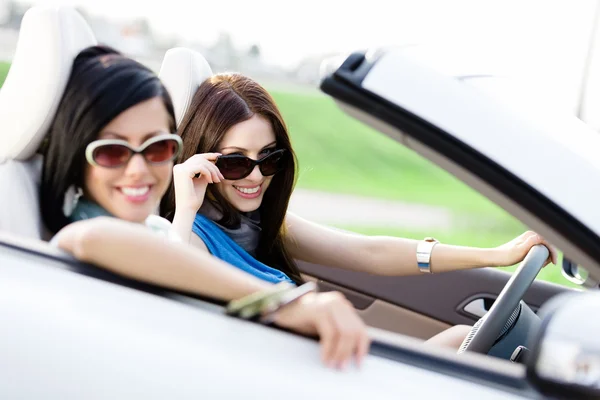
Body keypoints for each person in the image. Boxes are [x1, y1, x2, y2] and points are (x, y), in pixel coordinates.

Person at [163, 72, 558, 349]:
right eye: (235, 162)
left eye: (269, 159)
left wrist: (496, 255)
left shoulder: (258, 221)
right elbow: (169, 287)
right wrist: (184, 210)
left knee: (461, 338)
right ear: (202, 160)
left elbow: (368, 253)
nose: (255, 176)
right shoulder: (191, 236)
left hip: (330, 362)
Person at [41, 45, 370, 369]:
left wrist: (185, 209)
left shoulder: (155, 229)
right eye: (112, 152)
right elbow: (95, 239)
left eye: (158, 147)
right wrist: (282, 301)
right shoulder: (81, 233)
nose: (138, 169)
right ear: (74, 155)